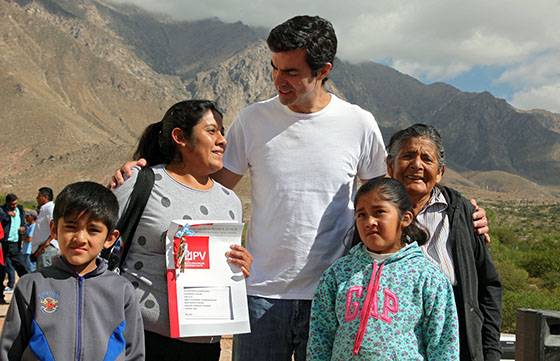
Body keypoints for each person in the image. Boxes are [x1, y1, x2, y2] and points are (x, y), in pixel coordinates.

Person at [110, 16, 490, 361]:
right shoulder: (252, 120)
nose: (279, 80)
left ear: (322, 70)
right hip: (259, 293)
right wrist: (147, 173)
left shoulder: (358, 123)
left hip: (335, 294)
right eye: (274, 68)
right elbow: (206, 189)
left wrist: (457, 211)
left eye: (290, 72)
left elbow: (389, 197)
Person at [113, 99, 253, 361]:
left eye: (222, 131)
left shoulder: (230, 202)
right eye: (212, 131)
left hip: (204, 345)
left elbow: (224, 268)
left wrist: (241, 265)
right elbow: (95, 238)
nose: (222, 140)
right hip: (140, 338)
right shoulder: (141, 183)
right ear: (180, 137)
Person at [307, 177, 459, 360]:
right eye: (361, 214)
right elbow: (320, 338)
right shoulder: (338, 274)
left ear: (405, 218)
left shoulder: (428, 277)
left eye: (379, 212)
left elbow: (443, 345)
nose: (369, 221)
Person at [386, 124, 502, 361]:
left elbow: (488, 286)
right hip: (391, 339)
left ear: (440, 171)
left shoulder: (463, 213)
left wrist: (490, 351)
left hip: (457, 339)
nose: (416, 165)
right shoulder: (373, 212)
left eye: (426, 158)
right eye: (407, 156)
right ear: (390, 166)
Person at [0, 181, 145, 360]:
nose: (80, 238)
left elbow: (135, 353)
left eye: (93, 230)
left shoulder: (122, 290)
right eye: (71, 226)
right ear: (54, 229)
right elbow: (9, 352)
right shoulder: (31, 285)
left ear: (110, 238)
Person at [0, 194, 29, 297]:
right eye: (12, 204)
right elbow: (2, 219)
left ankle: (28, 290)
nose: (14, 206)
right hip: (3, 244)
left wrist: (23, 229)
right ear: (7, 203)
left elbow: (23, 223)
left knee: (22, 267)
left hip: (15, 244)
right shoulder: (2, 210)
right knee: (2, 270)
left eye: (16, 203)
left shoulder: (20, 210)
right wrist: (8, 215)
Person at [31, 187, 58, 270]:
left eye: (39, 196)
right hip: (43, 249)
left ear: (45, 197)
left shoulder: (49, 208)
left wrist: (45, 245)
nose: (37, 198)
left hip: (47, 249)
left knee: (46, 278)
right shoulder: (44, 208)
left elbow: (55, 226)